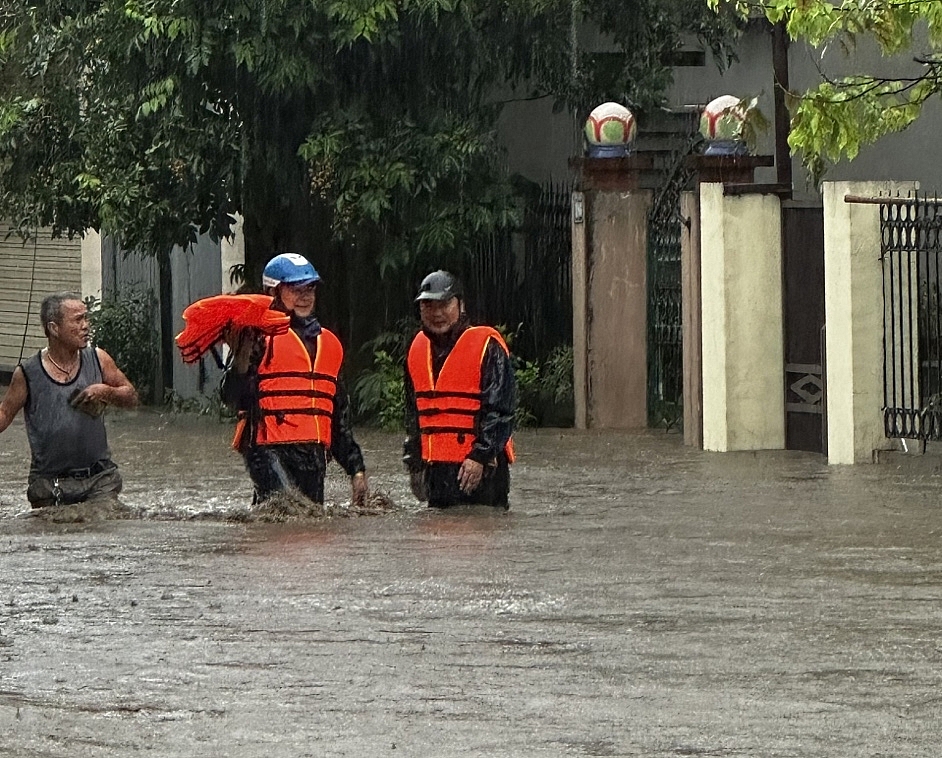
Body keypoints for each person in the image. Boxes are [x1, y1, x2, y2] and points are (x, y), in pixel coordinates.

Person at [221, 253, 369, 507]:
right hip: (267, 451)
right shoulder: (256, 338)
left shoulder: (329, 345)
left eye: (310, 288)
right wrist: (242, 359)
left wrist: (356, 470)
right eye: (295, 288)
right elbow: (231, 397)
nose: (305, 296)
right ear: (273, 292)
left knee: (310, 528)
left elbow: (338, 418)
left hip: (313, 455)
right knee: (289, 513)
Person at [0, 291, 138, 508]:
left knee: (104, 525)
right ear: (54, 328)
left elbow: (131, 397)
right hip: (49, 484)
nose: (86, 326)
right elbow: (5, 415)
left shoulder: (98, 359)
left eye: (86, 318)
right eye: (78, 319)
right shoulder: (27, 373)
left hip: (99, 480)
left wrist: (104, 392)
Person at [403, 270, 516, 509]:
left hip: (481, 471)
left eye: (444, 304)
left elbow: (501, 411)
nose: (437, 313)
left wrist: (480, 456)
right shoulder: (417, 349)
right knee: (438, 540)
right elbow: (414, 414)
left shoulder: (487, 345)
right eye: (428, 305)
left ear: (460, 305)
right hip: (437, 472)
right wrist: (414, 463)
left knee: (480, 533)